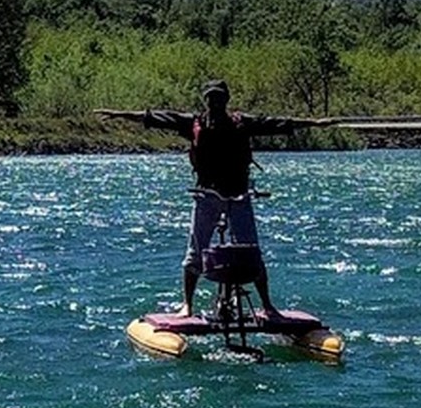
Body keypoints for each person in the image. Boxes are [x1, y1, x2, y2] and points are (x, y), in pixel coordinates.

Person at [100, 81, 328, 315]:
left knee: (250, 250)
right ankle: (187, 305)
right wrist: (120, 114)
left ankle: (267, 305)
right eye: (210, 98)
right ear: (205, 101)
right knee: (196, 251)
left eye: (219, 98)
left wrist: (315, 123)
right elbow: (157, 118)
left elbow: (276, 123)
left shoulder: (241, 123)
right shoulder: (194, 123)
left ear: (226, 100)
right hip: (207, 195)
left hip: (238, 195)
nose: (214, 103)